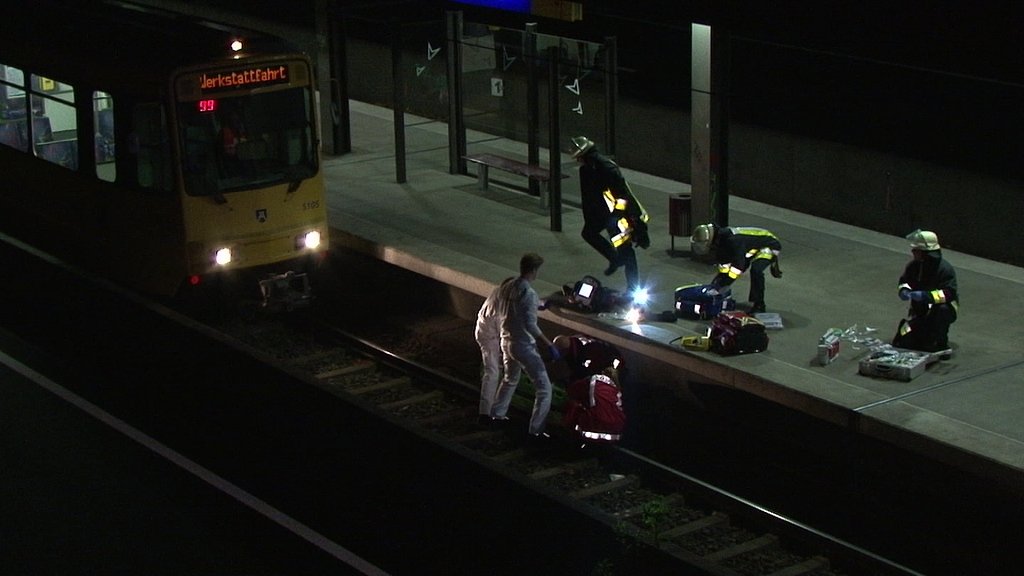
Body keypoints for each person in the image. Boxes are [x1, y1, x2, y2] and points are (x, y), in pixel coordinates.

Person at [489, 253, 560, 442]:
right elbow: (530, 324)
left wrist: (539, 305)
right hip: (523, 346)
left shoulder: (508, 287)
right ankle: (536, 431)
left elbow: (516, 308)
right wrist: (549, 344)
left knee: (510, 379)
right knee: (544, 388)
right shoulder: (529, 293)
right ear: (534, 270)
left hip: (506, 342)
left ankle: (496, 415)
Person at [570, 136, 650, 294]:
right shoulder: (587, 169)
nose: (578, 160)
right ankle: (615, 259)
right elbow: (590, 196)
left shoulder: (606, 168)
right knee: (589, 233)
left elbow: (623, 195)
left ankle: (633, 289)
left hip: (622, 216)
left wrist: (616, 216)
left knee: (626, 251)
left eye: (578, 157)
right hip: (605, 214)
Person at [690, 223, 782, 314]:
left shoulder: (733, 241)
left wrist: (724, 283)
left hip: (769, 244)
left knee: (756, 270)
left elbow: (738, 268)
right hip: (751, 246)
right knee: (740, 266)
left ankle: (759, 305)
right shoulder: (720, 242)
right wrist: (716, 285)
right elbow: (724, 267)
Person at [893, 229, 958, 353]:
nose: (912, 252)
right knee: (904, 340)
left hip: (942, 310)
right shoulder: (914, 266)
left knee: (942, 311)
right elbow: (904, 281)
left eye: (916, 250)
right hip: (921, 311)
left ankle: (941, 344)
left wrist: (925, 296)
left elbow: (948, 294)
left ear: (926, 252)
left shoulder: (944, 269)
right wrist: (904, 290)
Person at [474, 277, 514, 425]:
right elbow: (504, 333)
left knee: (494, 371)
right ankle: (485, 414)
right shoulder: (500, 309)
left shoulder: (498, 293)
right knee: (492, 372)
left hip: (487, 332)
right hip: (488, 337)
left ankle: (491, 411)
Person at [563, 366, 627, 446]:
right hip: (616, 430)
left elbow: (574, 390)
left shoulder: (595, 380)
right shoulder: (615, 390)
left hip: (596, 425)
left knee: (574, 405)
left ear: (603, 372)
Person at [552, 334, 623, 383]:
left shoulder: (585, 350)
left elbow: (589, 371)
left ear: (565, 350)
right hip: (604, 358)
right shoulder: (573, 342)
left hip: (611, 362)